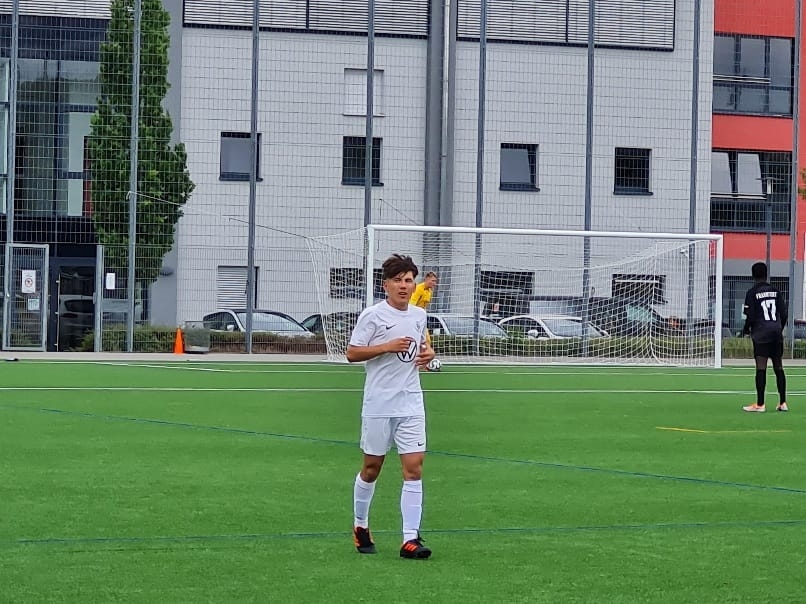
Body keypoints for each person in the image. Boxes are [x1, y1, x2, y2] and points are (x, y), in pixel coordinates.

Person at [346, 254, 435, 559]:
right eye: (398, 280)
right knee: (372, 468)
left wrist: (429, 356)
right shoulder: (372, 316)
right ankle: (360, 524)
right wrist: (386, 346)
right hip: (379, 404)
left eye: (408, 280)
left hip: (411, 403)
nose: (404, 285)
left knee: (414, 468)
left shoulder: (419, 315)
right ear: (386, 285)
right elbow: (352, 353)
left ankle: (410, 538)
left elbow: (423, 349)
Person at [742, 262, 788, 413]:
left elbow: (750, 316)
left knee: (761, 367)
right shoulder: (776, 291)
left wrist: (746, 330)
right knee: (778, 366)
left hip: (761, 333)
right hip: (776, 332)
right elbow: (784, 313)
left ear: (753, 275)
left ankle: (760, 404)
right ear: (766, 274)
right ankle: (783, 402)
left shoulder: (752, 293)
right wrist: (779, 328)